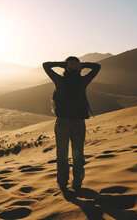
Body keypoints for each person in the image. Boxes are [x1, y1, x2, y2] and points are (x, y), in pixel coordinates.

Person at [43, 56, 101, 191]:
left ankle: (63, 183)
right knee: (78, 154)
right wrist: (81, 65)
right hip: (78, 124)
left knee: (62, 154)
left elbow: (46, 65)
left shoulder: (59, 80)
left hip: (62, 122)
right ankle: (77, 183)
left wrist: (64, 64)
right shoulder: (83, 81)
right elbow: (97, 67)